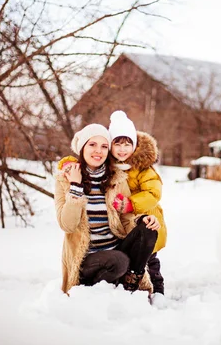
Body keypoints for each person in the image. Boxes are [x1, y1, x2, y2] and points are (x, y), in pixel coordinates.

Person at [59, 111, 167, 297]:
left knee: (148, 229)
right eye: (92, 145)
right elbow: (67, 225)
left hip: (118, 250)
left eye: (103, 146)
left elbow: (126, 218)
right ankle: (95, 290)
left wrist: (143, 219)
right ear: (82, 147)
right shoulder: (66, 178)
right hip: (90, 258)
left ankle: (132, 281)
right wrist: (76, 186)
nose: (98, 151)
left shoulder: (115, 177)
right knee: (118, 261)